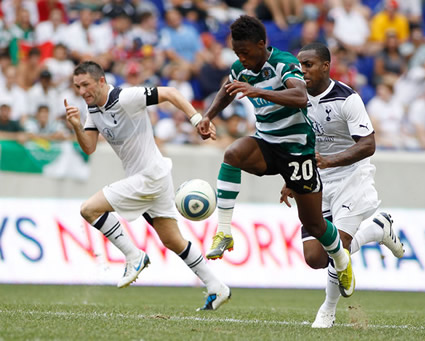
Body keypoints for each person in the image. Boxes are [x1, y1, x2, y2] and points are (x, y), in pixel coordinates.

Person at [195, 15, 355, 297]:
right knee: (232, 154)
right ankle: (223, 231)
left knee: (314, 224)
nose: (241, 58)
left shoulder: (283, 63)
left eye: (245, 52)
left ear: (261, 44)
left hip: (298, 150)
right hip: (267, 144)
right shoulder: (240, 69)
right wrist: (208, 116)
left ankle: (341, 260)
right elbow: (227, 89)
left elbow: (301, 97)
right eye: (236, 53)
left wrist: (256, 91)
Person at [64, 61, 230, 311]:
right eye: (77, 86)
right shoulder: (93, 110)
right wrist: (77, 125)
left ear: (100, 81)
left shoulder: (125, 97)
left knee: (89, 209)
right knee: (173, 240)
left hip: (148, 177)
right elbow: (89, 147)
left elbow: (171, 93)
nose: (81, 91)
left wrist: (197, 120)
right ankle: (217, 287)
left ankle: (133, 255)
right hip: (154, 177)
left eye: (85, 84)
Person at [280, 43, 405, 328]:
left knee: (341, 245)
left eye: (309, 64)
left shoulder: (347, 98)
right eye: (300, 65)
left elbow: (369, 144)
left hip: (352, 176)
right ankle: (377, 229)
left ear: (326, 66)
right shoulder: (297, 100)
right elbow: (297, 144)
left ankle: (328, 309)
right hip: (317, 179)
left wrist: (330, 160)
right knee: (315, 258)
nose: (303, 71)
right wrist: (291, 179)